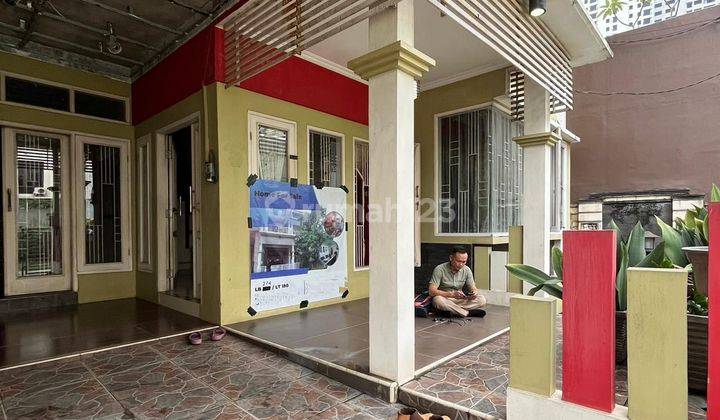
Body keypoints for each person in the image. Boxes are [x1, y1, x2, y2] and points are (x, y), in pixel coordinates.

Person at [429, 246, 487, 317]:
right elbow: (431, 291)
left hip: (460, 299)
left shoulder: (467, 270)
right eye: (458, 261)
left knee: (482, 300)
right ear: (451, 258)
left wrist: (474, 293)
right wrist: (451, 294)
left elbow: (473, 287)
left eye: (464, 262)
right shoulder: (439, 269)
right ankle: (467, 313)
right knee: (437, 300)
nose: (461, 264)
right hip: (445, 298)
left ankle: (452, 311)